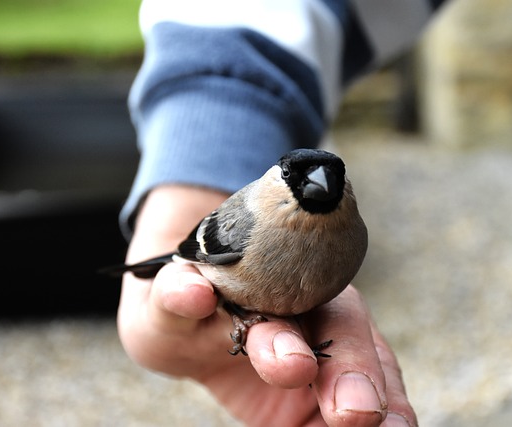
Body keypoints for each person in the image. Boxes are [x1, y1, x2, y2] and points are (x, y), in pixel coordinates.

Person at [116, 1, 446, 425]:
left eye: (334, 176)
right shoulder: (244, 224)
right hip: (203, 271)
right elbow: (196, 251)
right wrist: (239, 318)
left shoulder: (353, 238)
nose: (320, 184)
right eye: (299, 177)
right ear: (275, 179)